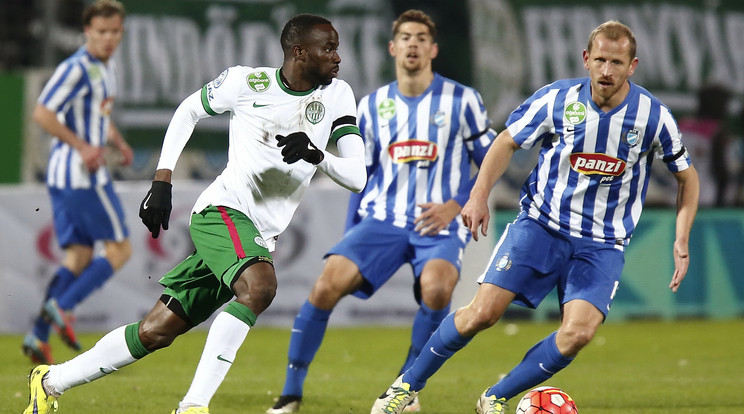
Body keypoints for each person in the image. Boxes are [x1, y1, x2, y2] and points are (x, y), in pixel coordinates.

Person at [23, 13, 367, 414]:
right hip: (223, 211)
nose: (337, 57)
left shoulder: (338, 94)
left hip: (259, 234)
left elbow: (356, 176)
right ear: (299, 51)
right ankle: (193, 407)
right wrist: (162, 180)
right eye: (328, 48)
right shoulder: (245, 82)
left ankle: (50, 382)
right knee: (259, 287)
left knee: (156, 331)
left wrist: (316, 153)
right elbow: (188, 110)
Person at [371, 20, 700, 414]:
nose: (607, 71)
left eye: (617, 62)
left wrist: (681, 238)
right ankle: (404, 387)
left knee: (578, 334)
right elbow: (505, 141)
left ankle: (494, 397)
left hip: (602, 244)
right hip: (540, 226)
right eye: (600, 60)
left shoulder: (653, 116)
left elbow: (687, 177)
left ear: (633, 66)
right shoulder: (557, 99)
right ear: (586, 59)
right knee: (482, 314)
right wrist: (478, 197)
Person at [267, 9, 495, 414]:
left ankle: (405, 389)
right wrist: (351, 229)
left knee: (439, 289)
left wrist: (457, 205)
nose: (413, 43)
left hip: (437, 224)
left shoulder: (463, 100)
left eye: (421, 37)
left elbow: (490, 160)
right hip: (382, 219)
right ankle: (290, 393)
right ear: (393, 47)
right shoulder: (371, 106)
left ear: (433, 48)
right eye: (405, 36)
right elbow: (360, 173)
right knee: (324, 286)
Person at [23, 0, 132, 365]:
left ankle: (38, 336)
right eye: (101, 31)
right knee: (120, 251)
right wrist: (84, 146)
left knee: (79, 256)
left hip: (66, 175)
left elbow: (98, 113)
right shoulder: (75, 67)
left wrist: (115, 140)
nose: (108, 38)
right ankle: (62, 306)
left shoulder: (106, 66)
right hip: (81, 174)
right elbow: (42, 112)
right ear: (87, 32)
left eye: (114, 31)